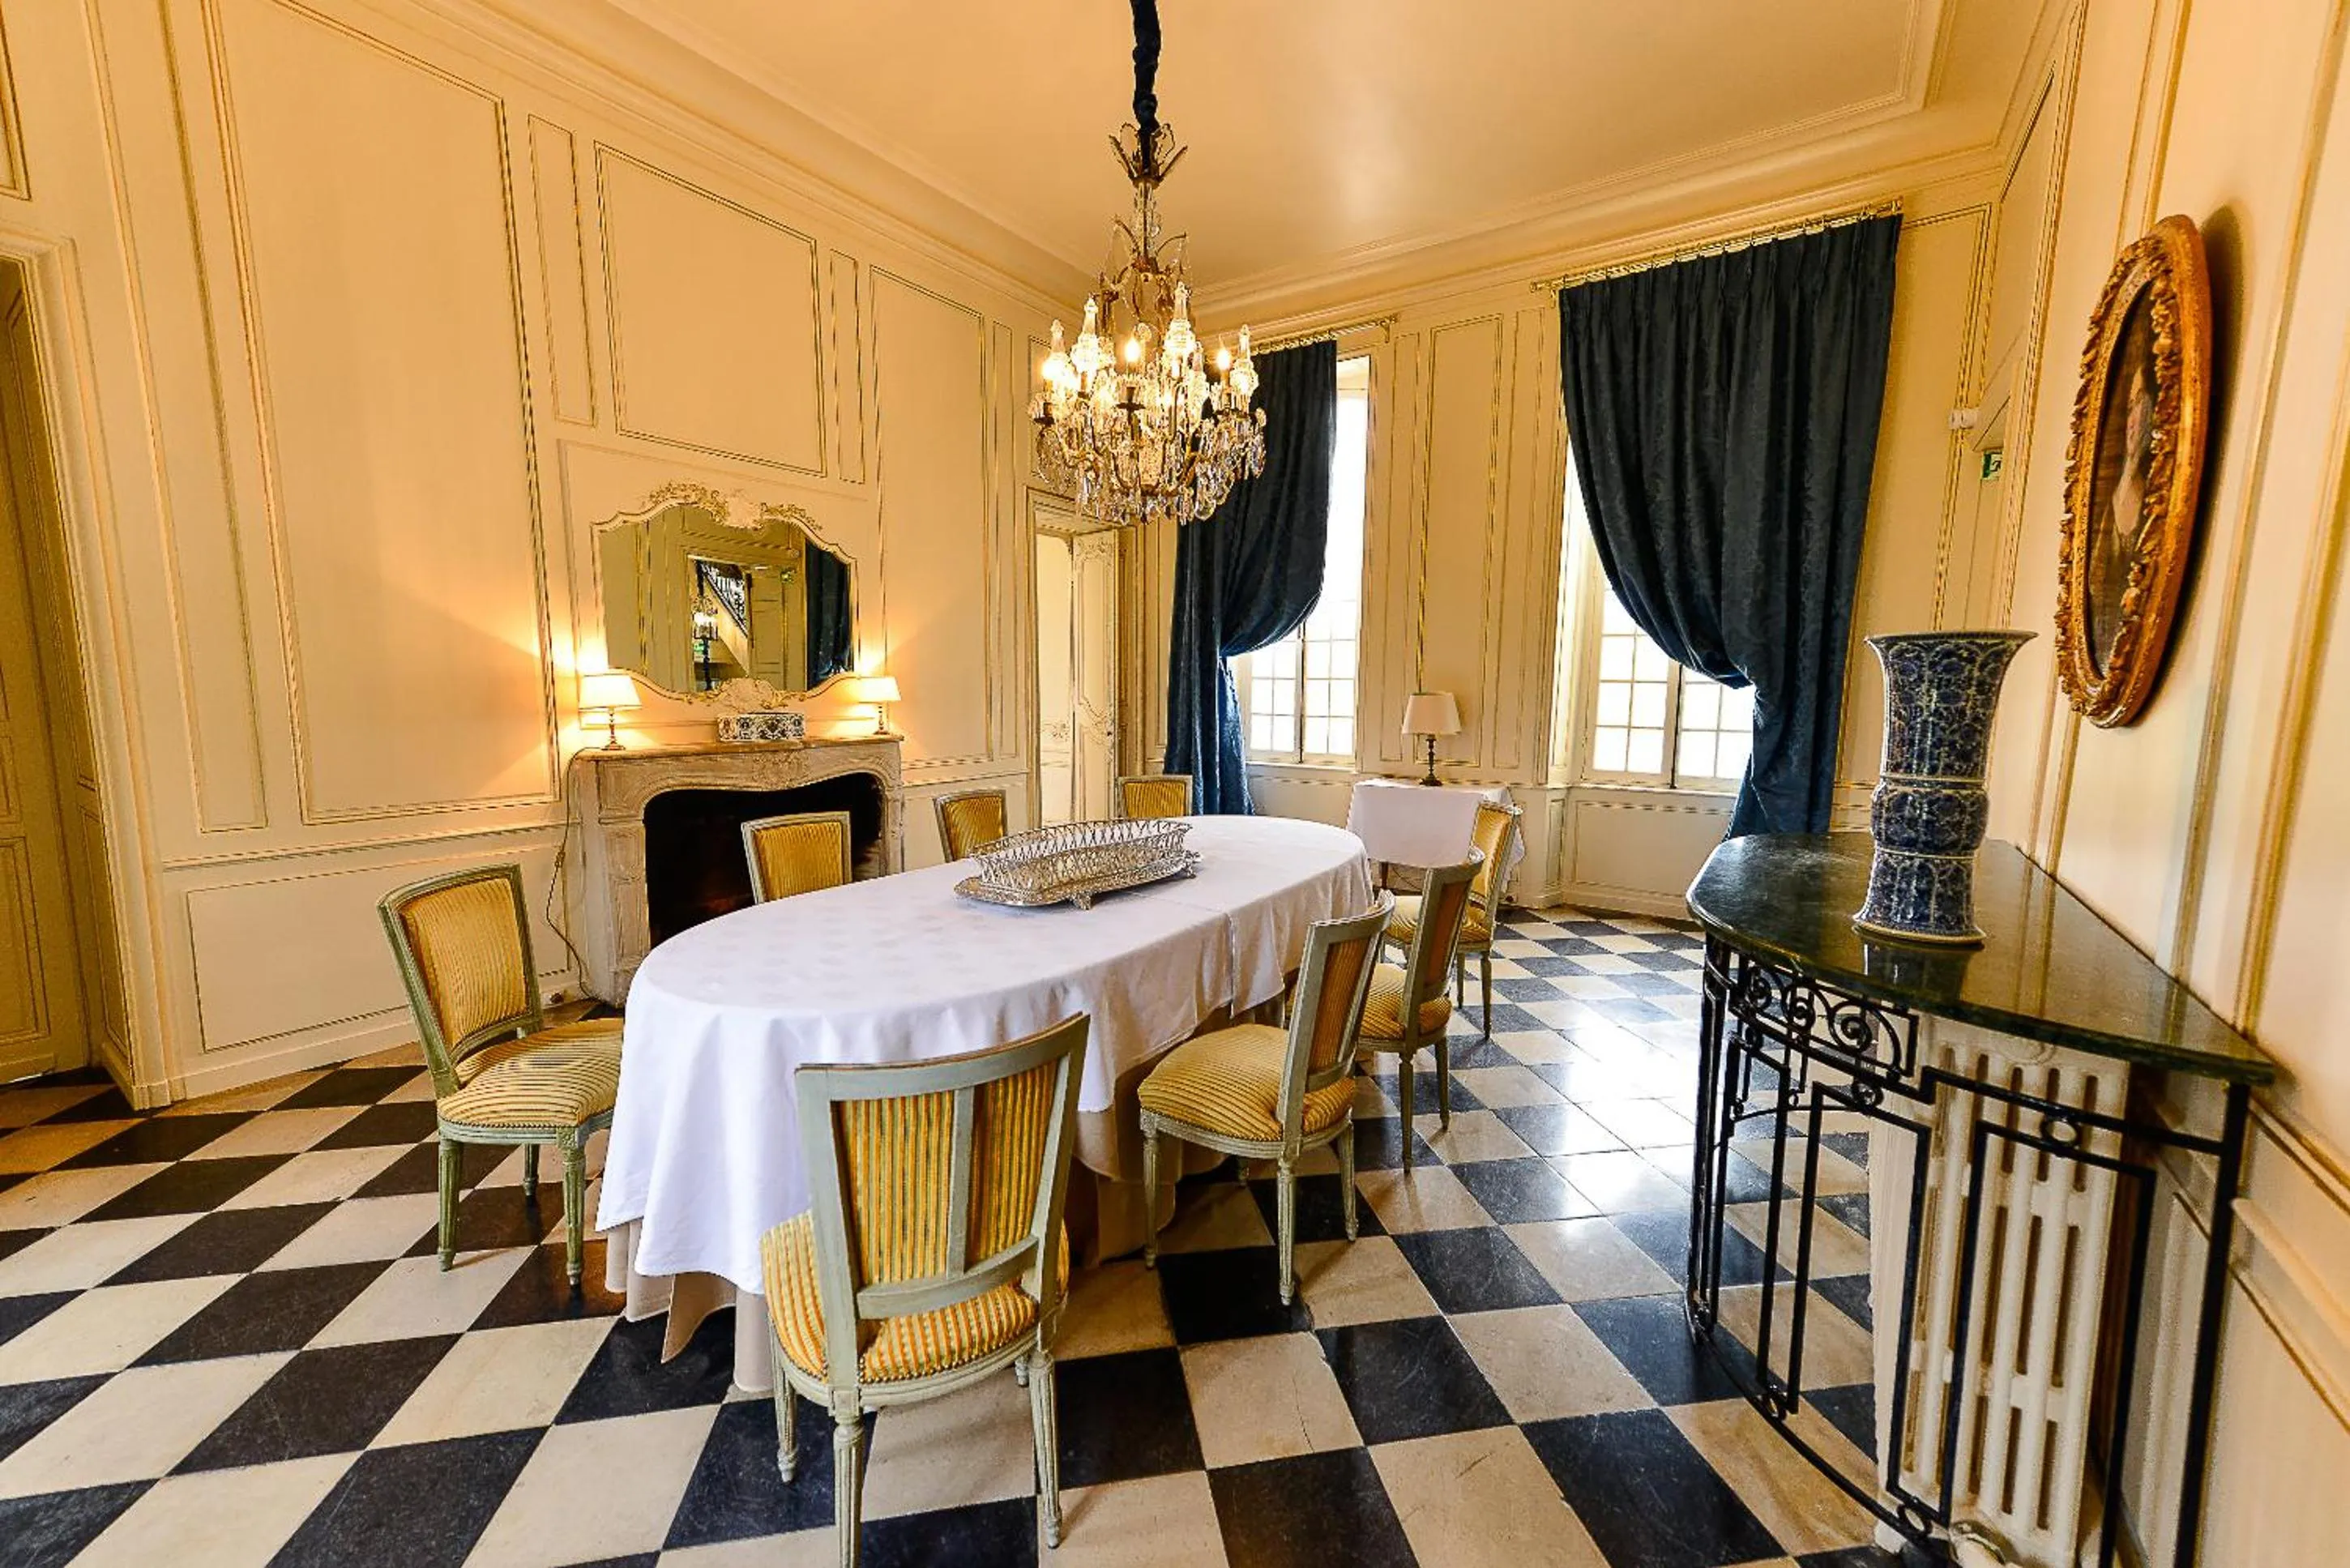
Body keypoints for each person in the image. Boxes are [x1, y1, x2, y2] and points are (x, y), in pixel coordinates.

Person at [2089, 354, 2155, 664]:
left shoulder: (2154, 496)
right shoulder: (2108, 506)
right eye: (2128, 408)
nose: (2132, 420)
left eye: (2139, 403)